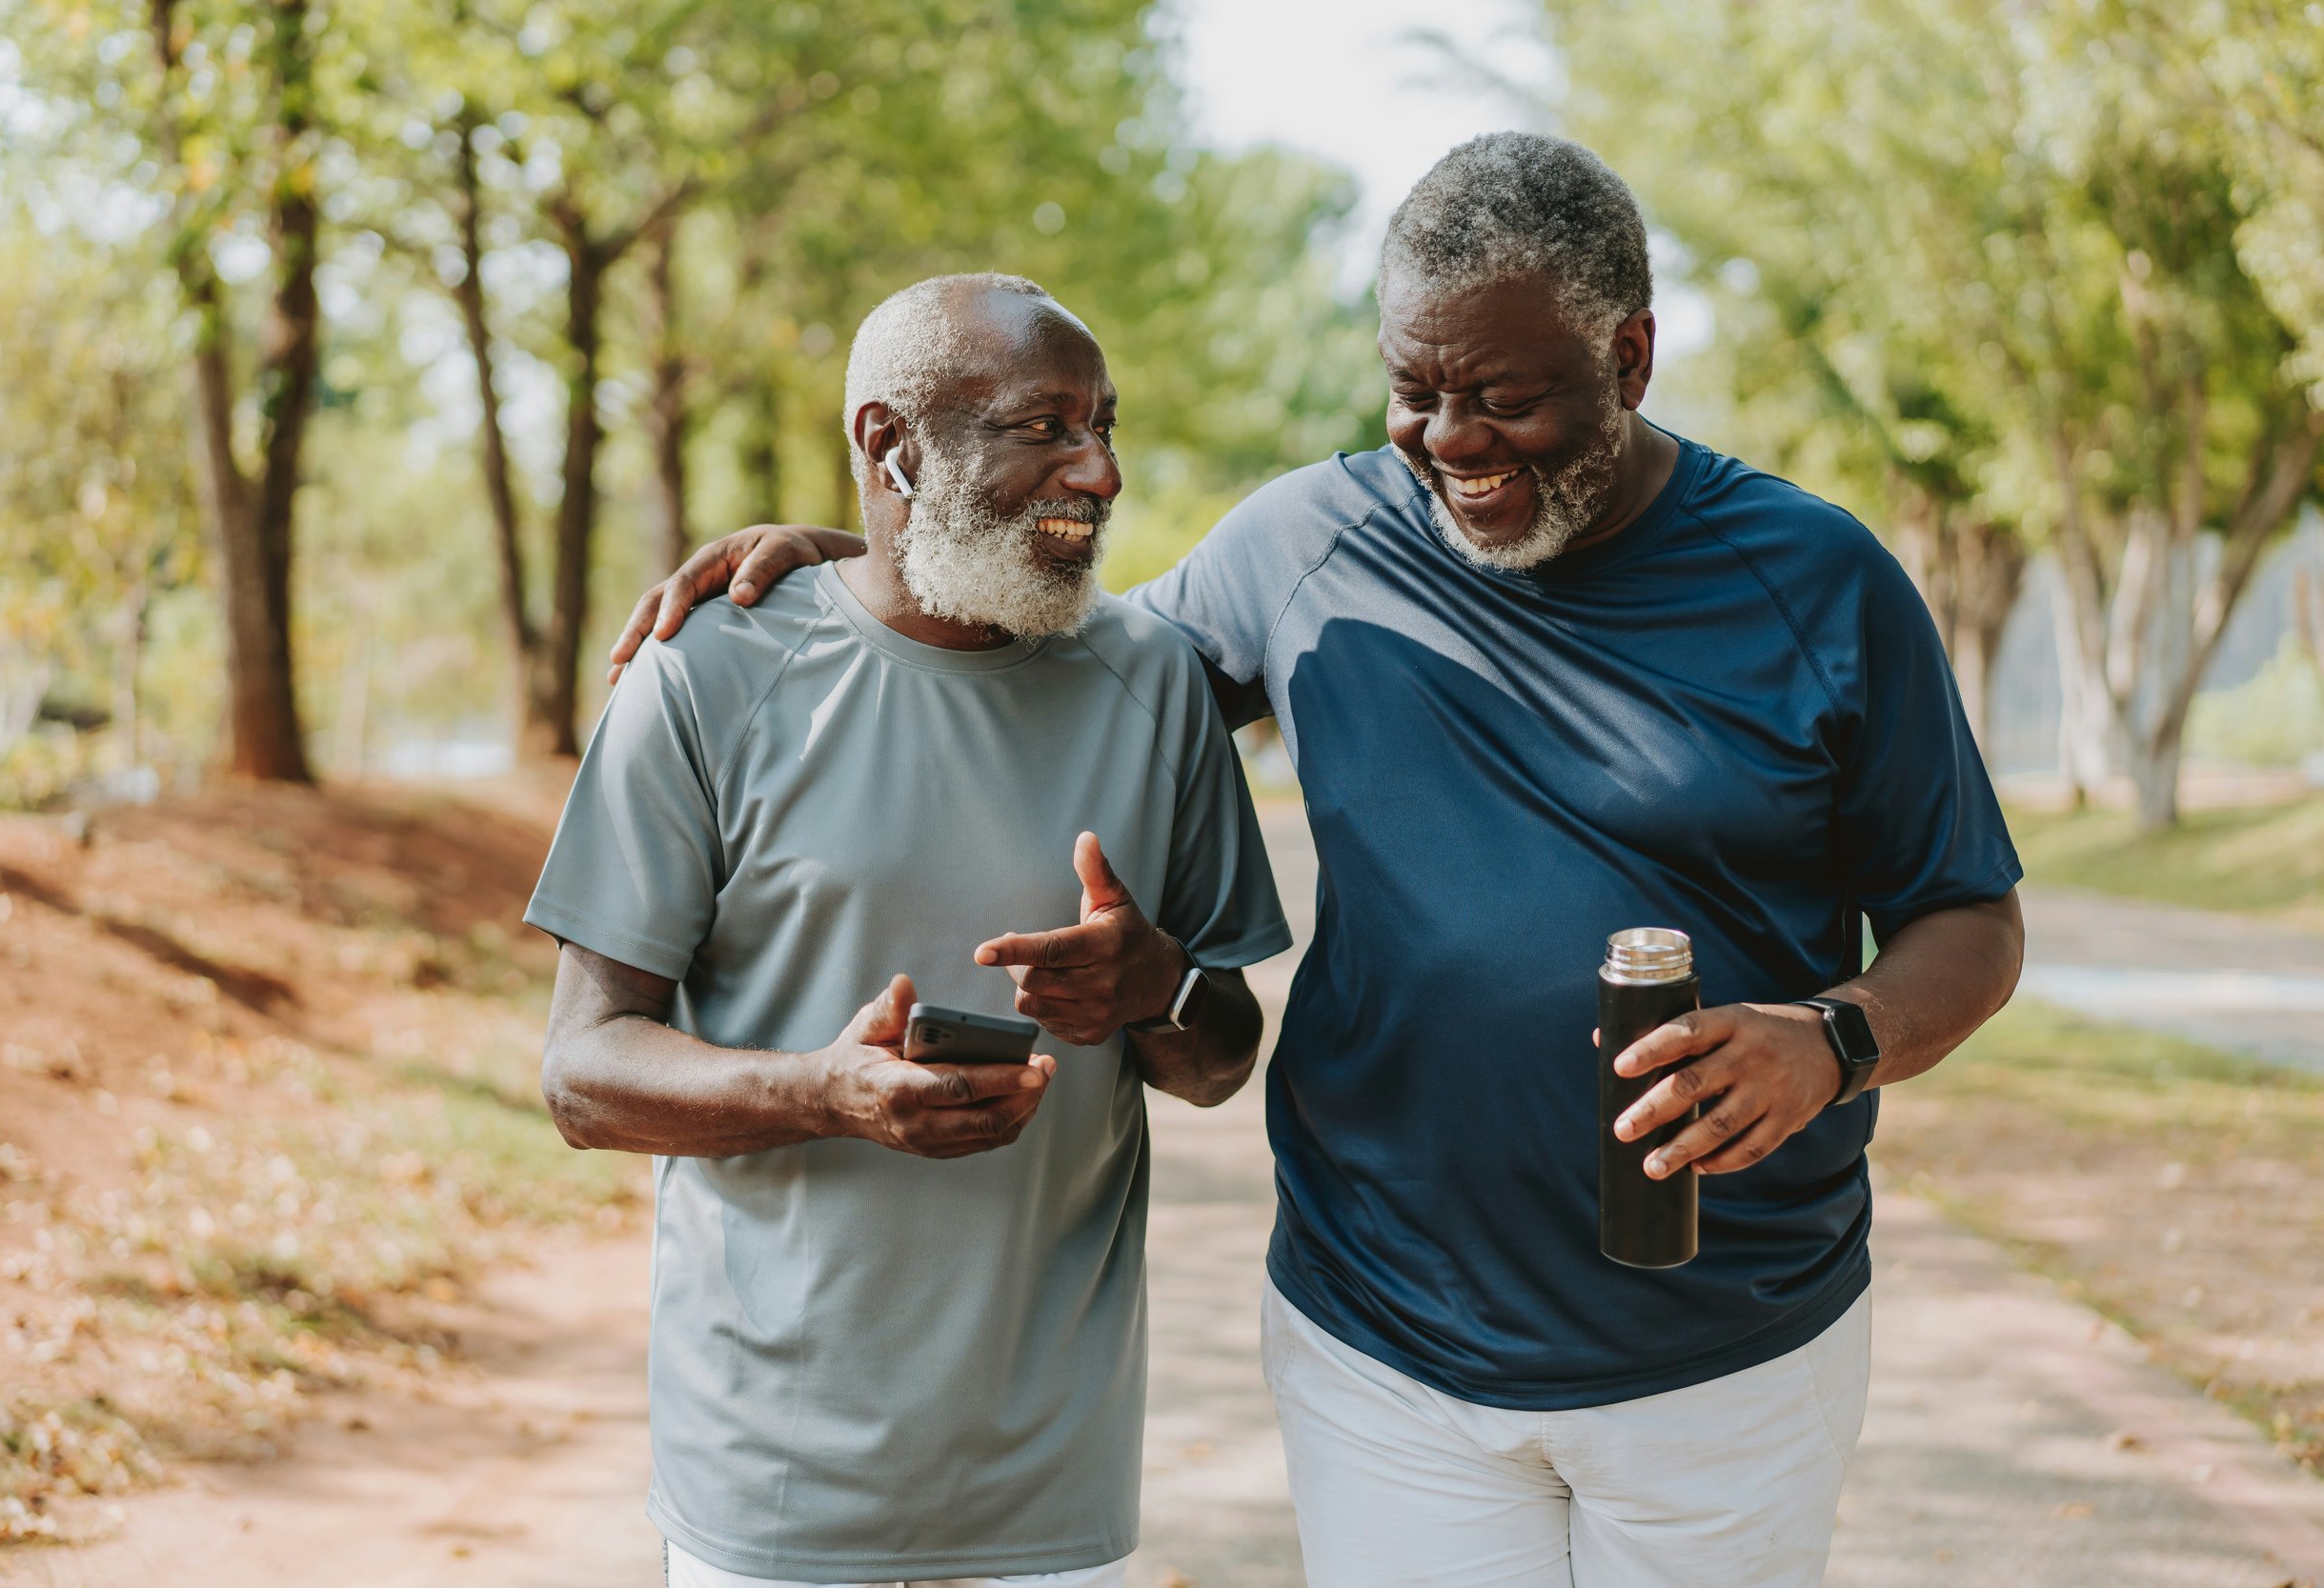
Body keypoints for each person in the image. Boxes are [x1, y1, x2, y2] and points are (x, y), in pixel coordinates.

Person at [613, 136, 2026, 1588]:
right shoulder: (1312, 540)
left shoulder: (1818, 579)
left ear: (1633, 357)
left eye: (1507, 398)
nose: (1453, 440)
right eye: (1415, 393)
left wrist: (1834, 1037)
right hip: (1388, 1346)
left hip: (1729, 1346)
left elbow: (1970, 915)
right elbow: (1054, 651)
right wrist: (862, 551)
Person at [530, 272, 1291, 1588]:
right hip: (768, 1472)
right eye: (1045, 427)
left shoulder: (1151, 681)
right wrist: (824, 1091)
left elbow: (1219, 1060)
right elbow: (585, 1076)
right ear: (890, 444)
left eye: (1104, 425)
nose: (1100, 471)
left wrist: (1156, 987)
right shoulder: (706, 675)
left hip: (1050, 1477)